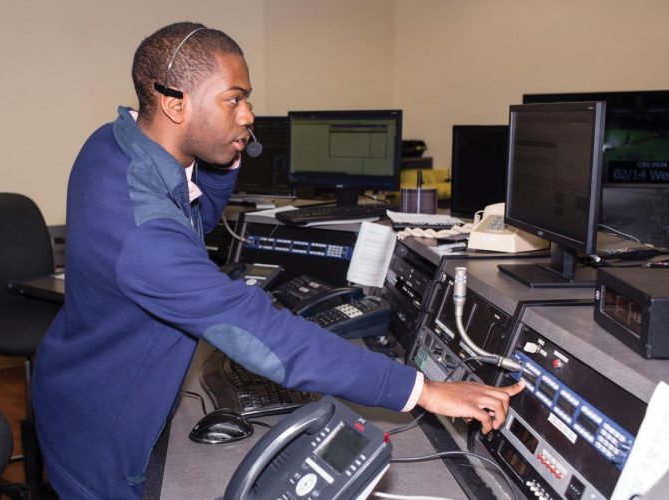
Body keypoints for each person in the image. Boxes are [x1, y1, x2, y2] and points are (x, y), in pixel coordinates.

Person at [32, 21, 524, 499]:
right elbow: (253, 329)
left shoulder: (116, 143)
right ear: (174, 103)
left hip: (84, 381)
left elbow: (193, 224)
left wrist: (225, 158)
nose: (248, 115)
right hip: (104, 435)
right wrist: (422, 390)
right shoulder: (140, 230)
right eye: (233, 99)